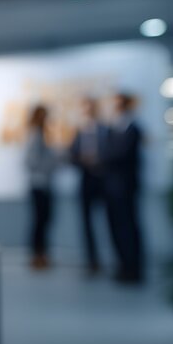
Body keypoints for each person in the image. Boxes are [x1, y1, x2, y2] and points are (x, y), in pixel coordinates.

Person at [102, 93, 144, 284]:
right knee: (116, 228)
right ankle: (123, 265)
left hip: (126, 187)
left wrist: (101, 157)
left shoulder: (133, 129)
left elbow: (119, 155)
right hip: (112, 187)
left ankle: (133, 267)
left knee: (129, 227)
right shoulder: (112, 129)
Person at [69, 97, 106, 274]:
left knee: (111, 222)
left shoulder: (105, 129)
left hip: (104, 180)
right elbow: (72, 155)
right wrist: (83, 159)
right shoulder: (79, 131)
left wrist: (99, 160)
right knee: (86, 223)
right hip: (86, 180)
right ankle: (92, 260)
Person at [24, 105, 58, 270]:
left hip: (44, 184)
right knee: (40, 221)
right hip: (39, 184)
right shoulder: (35, 135)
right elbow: (30, 161)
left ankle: (41, 254)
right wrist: (50, 164)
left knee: (44, 221)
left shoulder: (42, 134)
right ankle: (38, 255)